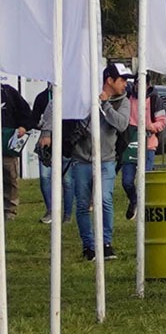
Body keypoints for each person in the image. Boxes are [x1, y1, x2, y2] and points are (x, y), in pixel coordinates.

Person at [41, 63, 131, 260]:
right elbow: (55, 104)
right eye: (122, 79)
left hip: (106, 160)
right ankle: (88, 246)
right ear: (109, 80)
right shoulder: (83, 93)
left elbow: (122, 124)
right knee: (82, 204)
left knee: (105, 199)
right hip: (81, 159)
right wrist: (46, 132)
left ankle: (106, 243)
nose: (125, 84)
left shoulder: (122, 102)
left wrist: (105, 104)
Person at [120, 81, 166, 221]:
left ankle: (145, 210)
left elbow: (162, 121)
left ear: (148, 85)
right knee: (127, 181)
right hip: (130, 144)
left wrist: (151, 126)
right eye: (137, 83)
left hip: (148, 144)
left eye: (143, 84)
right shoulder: (128, 97)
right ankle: (134, 200)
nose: (139, 87)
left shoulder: (155, 100)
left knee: (144, 179)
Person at [32, 85, 73, 224]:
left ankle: (67, 215)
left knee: (67, 181)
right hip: (48, 145)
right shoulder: (42, 98)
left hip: (67, 144)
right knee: (45, 177)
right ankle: (51, 210)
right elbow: (34, 119)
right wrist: (43, 127)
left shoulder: (72, 98)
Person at [1, 83, 33, 220]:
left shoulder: (8, 92)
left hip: (8, 143)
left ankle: (10, 210)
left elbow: (25, 112)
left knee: (10, 176)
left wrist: (23, 126)